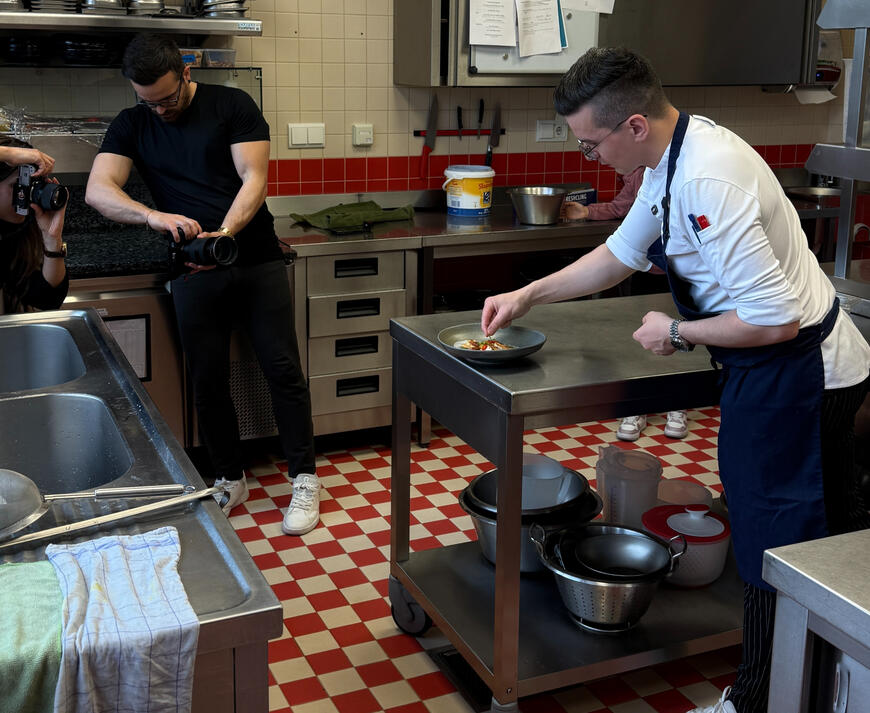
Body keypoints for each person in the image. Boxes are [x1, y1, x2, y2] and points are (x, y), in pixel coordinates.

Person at [481, 47, 870, 713]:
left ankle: (757, 700)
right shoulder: (672, 157)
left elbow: (774, 320)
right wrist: (528, 294)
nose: (589, 157)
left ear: (634, 125)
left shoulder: (708, 179)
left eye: (591, 143)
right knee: (806, 539)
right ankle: (821, 689)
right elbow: (619, 254)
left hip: (804, 376)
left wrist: (680, 331)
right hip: (780, 369)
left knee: (777, 546)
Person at [86, 33, 321, 535]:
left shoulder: (232, 104)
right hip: (191, 267)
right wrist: (152, 216)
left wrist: (225, 233)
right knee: (207, 379)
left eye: (166, 99)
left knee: (282, 370)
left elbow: (254, 178)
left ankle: (304, 478)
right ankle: (229, 477)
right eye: (147, 101)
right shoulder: (132, 122)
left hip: (254, 257)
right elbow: (98, 190)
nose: (159, 110)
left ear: (186, 74)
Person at [564, 166, 689, 441]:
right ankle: (639, 404)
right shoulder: (638, 173)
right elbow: (624, 206)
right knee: (639, 336)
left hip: (680, 270)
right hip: (647, 267)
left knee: (676, 333)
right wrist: (588, 211)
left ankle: (674, 403)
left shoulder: (682, 169)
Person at [0, 136, 68, 314]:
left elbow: (47, 300)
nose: (25, 194)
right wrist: (7, 154)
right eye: (17, 186)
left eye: (30, 184)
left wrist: (52, 239)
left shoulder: (21, 230)